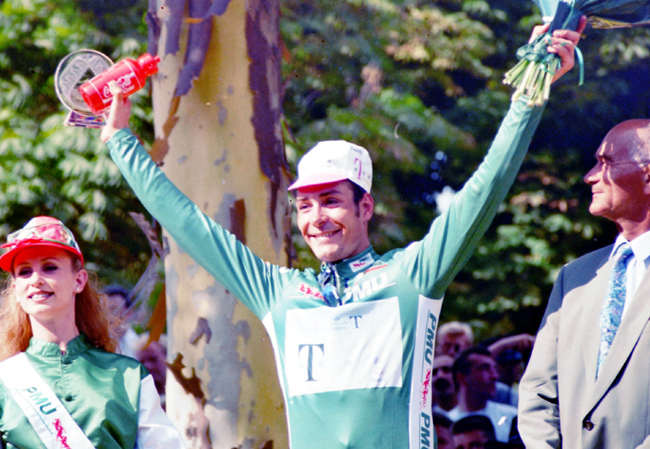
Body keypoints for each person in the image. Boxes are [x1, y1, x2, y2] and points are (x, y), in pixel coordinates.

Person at [99, 21, 584, 449]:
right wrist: (121, 141)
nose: (316, 219)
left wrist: (528, 95)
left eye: (331, 201)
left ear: (365, 207)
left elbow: (485, 189)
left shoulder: (413, 275)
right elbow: (188, 223)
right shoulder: (278, 291)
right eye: (304, 205)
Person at [518, 119, 650, 448]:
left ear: (648, 174)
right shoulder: (574, 277)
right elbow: (538, 391)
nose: (590, 175)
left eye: (606, 162)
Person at [0, 216, 186, 449]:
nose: (36, 279)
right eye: (25, 272)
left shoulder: (128, 376)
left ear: (78, 280)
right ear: (16, 289)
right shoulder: (6, 380)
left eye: (49, 267)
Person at [448, 347, 518, 443]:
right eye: (485, 368)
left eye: (494, 368)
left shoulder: (511, 418)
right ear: (462, 377)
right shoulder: (447, 423)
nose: (494, 376)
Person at [104, 284, 140, 358]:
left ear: (129, 313)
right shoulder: (93, 345)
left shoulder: (138, 346)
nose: (108, 316)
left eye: (113, 310)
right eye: (103, 310)